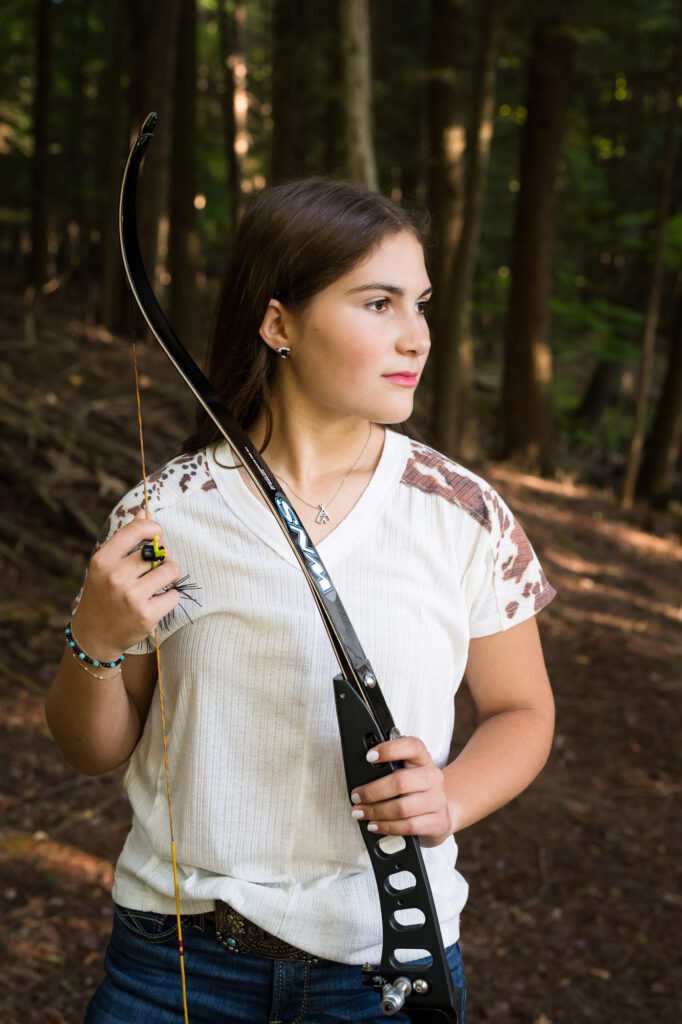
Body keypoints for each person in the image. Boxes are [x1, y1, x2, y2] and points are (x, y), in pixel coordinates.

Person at [45, 178, 556, 1024]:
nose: (417, 336)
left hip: (385, 971)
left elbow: (523, 711)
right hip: (175, 968)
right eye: (379, 303)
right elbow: (92, 749)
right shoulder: (165, 515)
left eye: (421, 304)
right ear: (278, 324)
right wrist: (93, 640)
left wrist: (453, 797)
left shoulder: (462, 511)